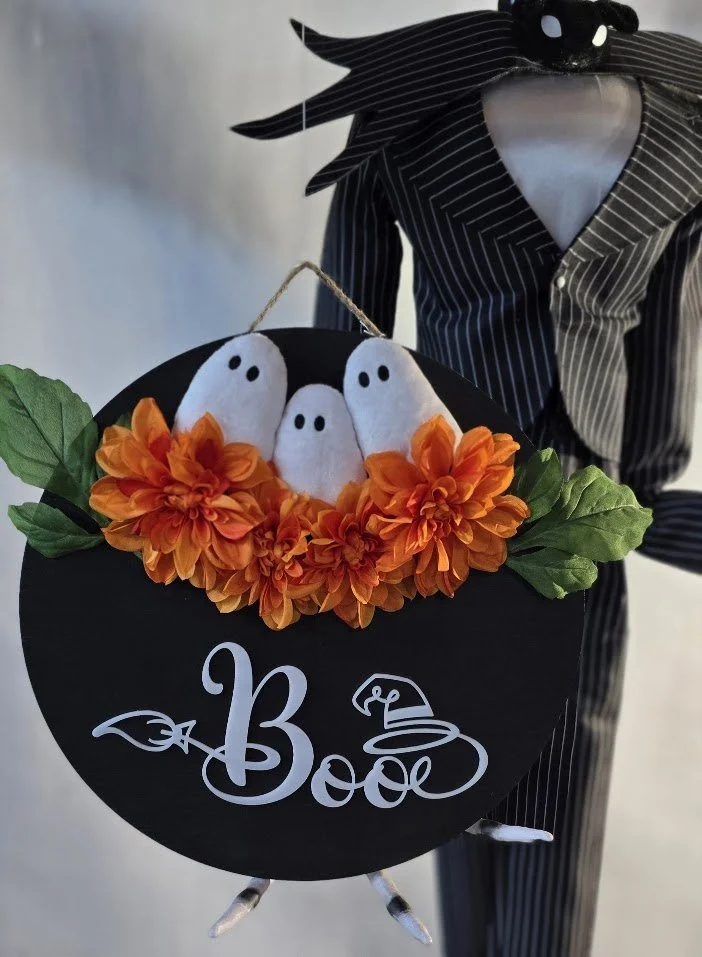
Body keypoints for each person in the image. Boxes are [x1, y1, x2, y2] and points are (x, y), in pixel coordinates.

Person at [234, 6, 702, 953]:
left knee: (532, 766)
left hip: (556, 520)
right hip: (437, 511)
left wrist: (638, 491)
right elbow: (343, 344)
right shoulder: (408, 125)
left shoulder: (683, 141)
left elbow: (342, 350)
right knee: (450, 766)